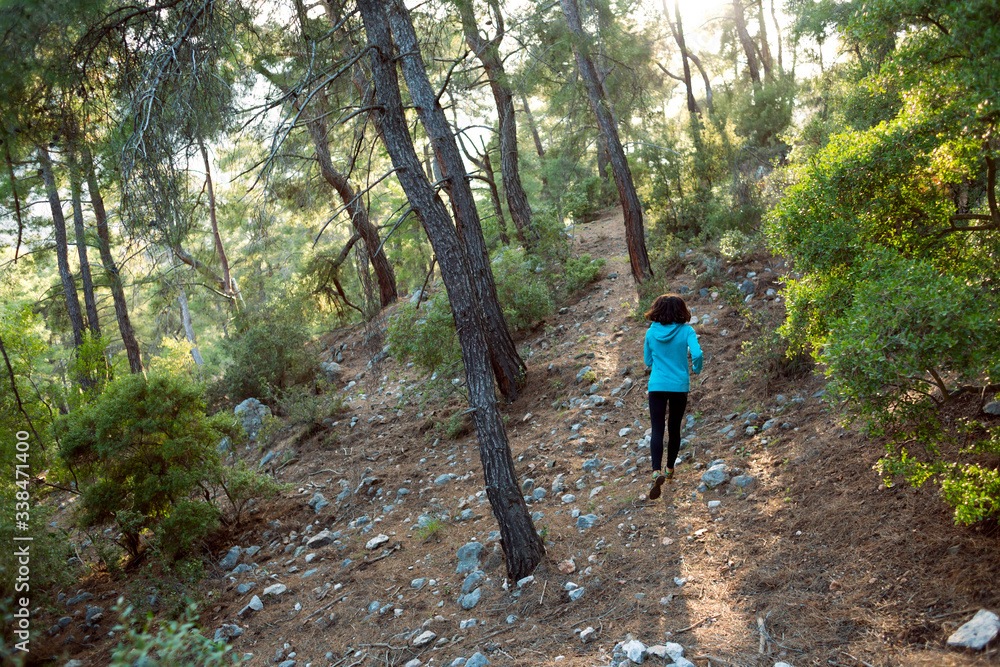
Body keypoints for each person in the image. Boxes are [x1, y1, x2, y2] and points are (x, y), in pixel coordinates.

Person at [643, 294, 702, 500]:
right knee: (674, 427)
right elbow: (697, 354)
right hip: (679, 386)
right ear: (681, 310)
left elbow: (647, 360)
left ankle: (655, 472)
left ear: (657, 311)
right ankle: (669, 471)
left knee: (657, 429)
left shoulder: (651, 333)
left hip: (657, 385)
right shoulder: (687, 330)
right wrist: (697, 369)